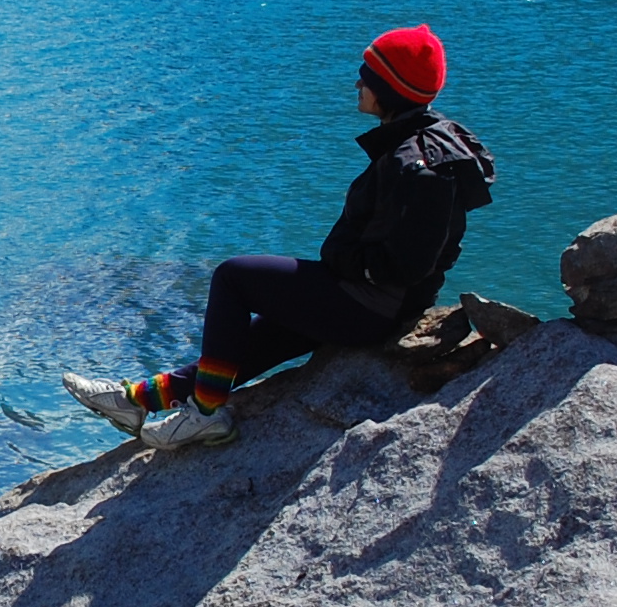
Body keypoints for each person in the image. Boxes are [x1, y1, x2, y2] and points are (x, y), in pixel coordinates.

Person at [64, 24, 494, 450]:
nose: (358, 83)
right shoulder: (423, 143)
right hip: (370, 300)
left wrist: (344, 262)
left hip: (370, 304)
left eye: (368, 76)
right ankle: (137, 401)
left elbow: (411, 261)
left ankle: (205, 414)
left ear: (391, 89)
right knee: (255, 340)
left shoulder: (420, 166)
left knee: (233, 277)